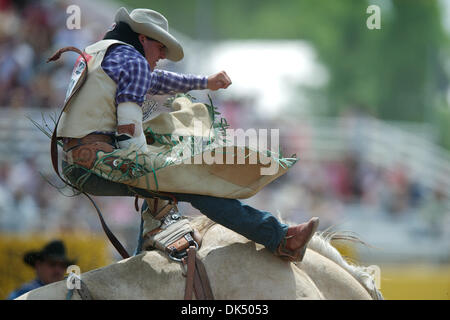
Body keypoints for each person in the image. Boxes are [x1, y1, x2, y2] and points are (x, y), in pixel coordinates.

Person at [52, 7, 319, 262]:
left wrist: (205, 82)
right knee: (191, 180)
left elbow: (156, 81)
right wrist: (156, 167)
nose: (161, 56)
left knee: (176, 174)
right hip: (95, 158)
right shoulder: (132, 60)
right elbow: (129, 130)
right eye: (160, 48)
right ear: (143, 39)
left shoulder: (106, 53)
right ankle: (278, 238)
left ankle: (149, 242)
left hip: (78, 159)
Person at [7, 240, 75, 300]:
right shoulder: (23, 294)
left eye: (63, 265)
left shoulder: (68, 295)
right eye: (52, 264)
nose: (58, 270)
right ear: (38, 265)